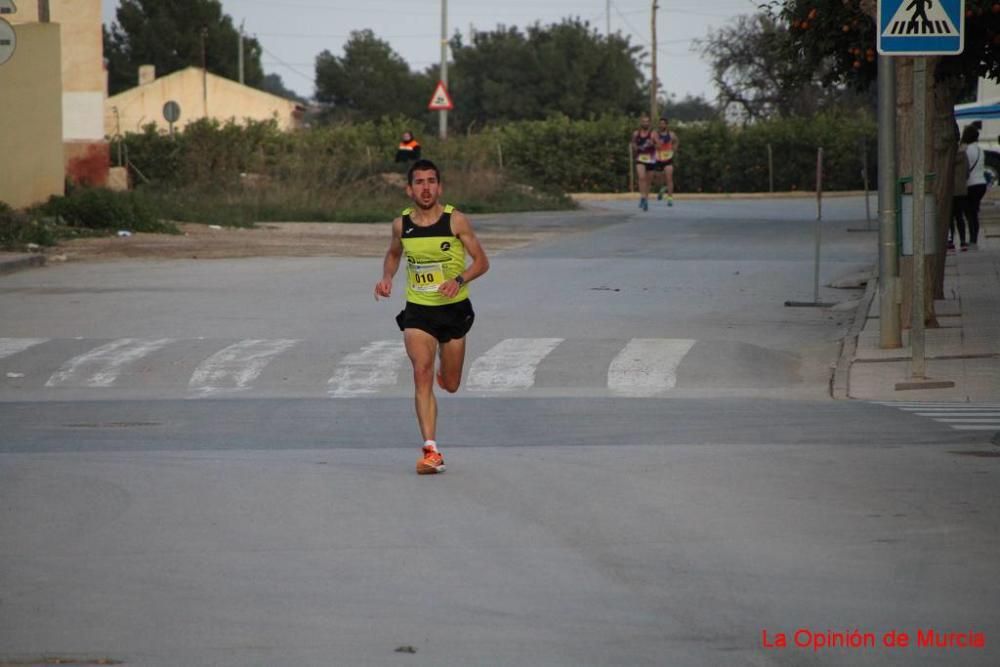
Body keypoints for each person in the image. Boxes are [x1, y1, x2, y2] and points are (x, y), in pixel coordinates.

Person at [374, 159, 490, 474]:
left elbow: (481, 261)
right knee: (421, 372)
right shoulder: (402, 224)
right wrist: (387, 278)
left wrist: (459, 280)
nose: (426, 188)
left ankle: (445, 372)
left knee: (450, 384)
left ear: (439, 186)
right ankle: (431, 451)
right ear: (409, 189)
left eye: (431, 181)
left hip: (454, 309)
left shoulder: (456, 221)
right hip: (419, 310)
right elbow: (394, 253)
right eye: (420, 182)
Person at [962, 125, 987, 250]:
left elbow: (965, 169)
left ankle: (972, 240)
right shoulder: (980, 150)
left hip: (970, 184)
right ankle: (974, 240)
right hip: (981, 183)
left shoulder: (966, 150)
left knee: (969, 213)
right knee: (974, 212)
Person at [631, 114, 658, 211]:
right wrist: (635, 147)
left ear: (649, 123)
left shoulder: (653, 133)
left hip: (651, 159)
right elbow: (633, 143)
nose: (645, 123)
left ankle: (646, 200)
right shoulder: (636, 133)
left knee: (648, 182)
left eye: (647, 121)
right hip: (640, 158)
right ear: (641, 123)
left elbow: (659, 145)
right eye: (643, 121)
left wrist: (654, 143)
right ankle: (642, 197)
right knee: (641, 177)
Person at [652, 116, 679, 206]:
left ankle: (670, 198)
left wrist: (674, 148)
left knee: (669, 178)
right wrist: (655, 146)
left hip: (668, 158)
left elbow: (676, 141)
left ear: (666, 125)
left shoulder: (671, 134)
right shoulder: (655, 134)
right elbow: (651, 143)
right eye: (660, 123)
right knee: (657, 178)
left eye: (663, 123)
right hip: (658, 158)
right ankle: (663, 188)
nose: (661, 125)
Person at [950, 136, 970, 252]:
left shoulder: (949, 157)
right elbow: (967, 172)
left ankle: (950, 242)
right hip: (961, 191)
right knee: (960, 217)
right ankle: (963, 241)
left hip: (950, 191)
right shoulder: (964, 155)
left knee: (950, 218)